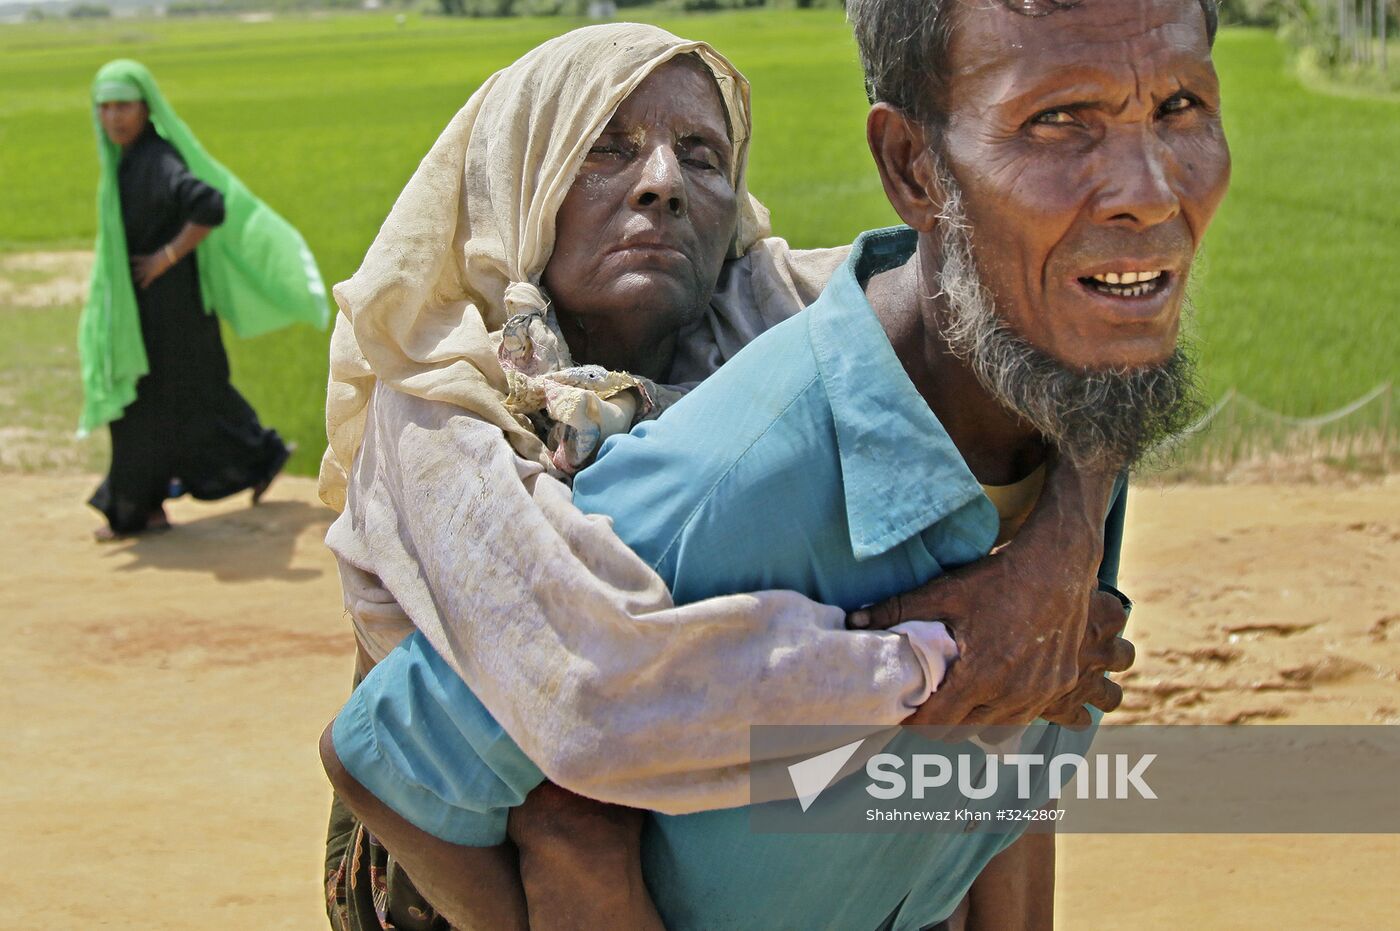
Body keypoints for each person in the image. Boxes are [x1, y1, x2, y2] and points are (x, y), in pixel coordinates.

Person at [317, 21, 1144, 931]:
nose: (663, 182)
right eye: (607, 148)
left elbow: (1038, 301)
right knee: (577, 825)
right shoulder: (440, 402)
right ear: (525, 179)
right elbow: (588, 682)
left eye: (702, 156)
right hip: (461, 830)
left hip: (706, 764)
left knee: (1007, 718)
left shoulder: (769, 311)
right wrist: (932, 663)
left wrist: (1057, 566)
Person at [80, 60, 328, 541]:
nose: (115, 117)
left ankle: (136, 510)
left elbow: (209, 204)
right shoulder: (128, 160)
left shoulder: (155, 159)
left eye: (124, 106)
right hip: (161, 316)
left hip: (170, 315)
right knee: (196, 398)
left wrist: (165, 257)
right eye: (105, 107)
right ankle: (257, 458)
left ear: (145, 107)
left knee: (143, 412)